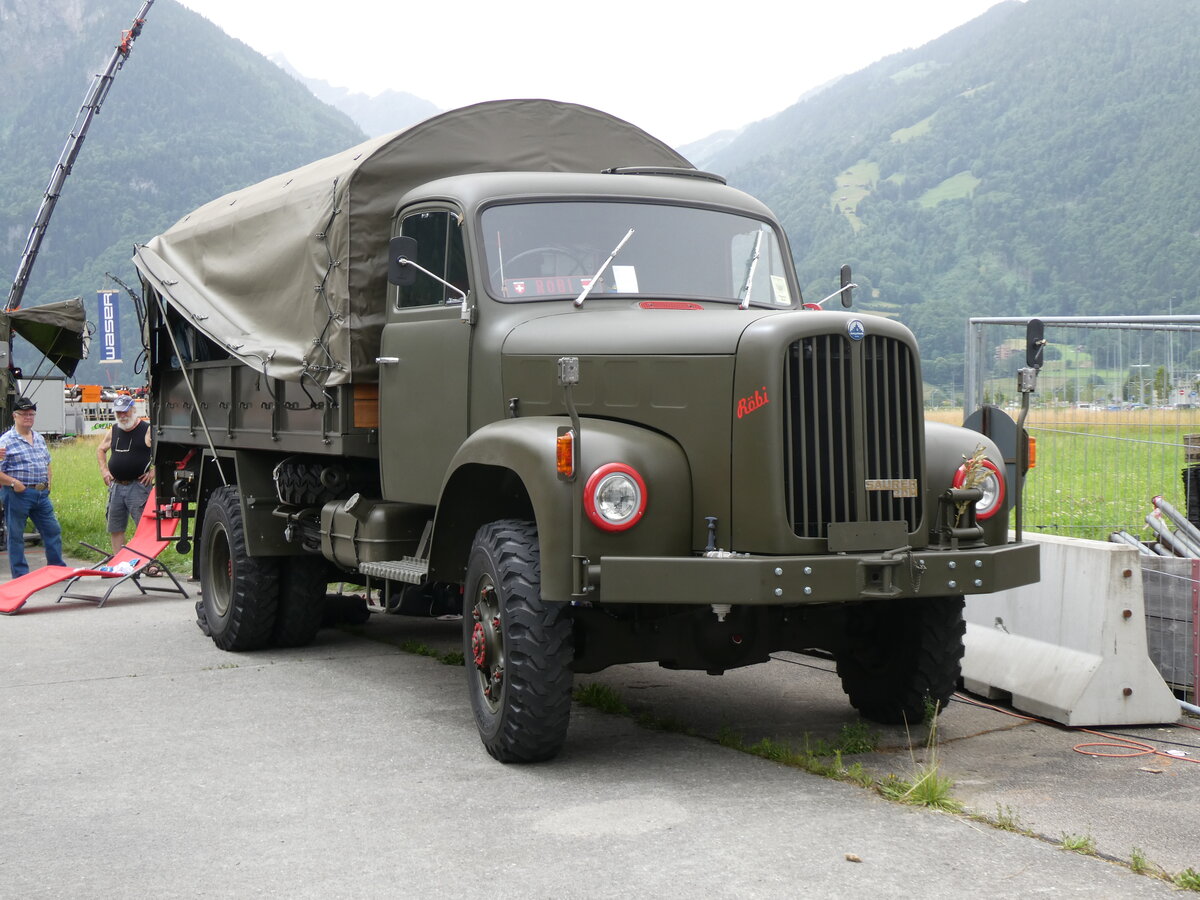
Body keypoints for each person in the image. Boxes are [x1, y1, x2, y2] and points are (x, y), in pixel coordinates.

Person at [0, 397, 66, 578]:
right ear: (14, 416)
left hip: (41, 493)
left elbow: (47, 462)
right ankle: (20, 575)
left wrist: (49, 482)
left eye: (31, 414)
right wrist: (14, 483)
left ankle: (57, 569)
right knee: (15, 536)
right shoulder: (6, 441)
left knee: (52, 530)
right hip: (18, 493)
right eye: (24, 414)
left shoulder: (39, 438)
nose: (28, 417)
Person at [97, 394, 154, 553]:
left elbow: (165, 453)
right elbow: (100, 449)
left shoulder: (147, 429)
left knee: (144, 527)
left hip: (138, 486)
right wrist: (104, 470)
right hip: (116, 486)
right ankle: (119, 561)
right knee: (115, 527)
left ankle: (147, 562)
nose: (122, 416)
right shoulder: (114, 430)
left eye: (125, 411)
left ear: (133, 410)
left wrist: (154, 472)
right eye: (118, 412)